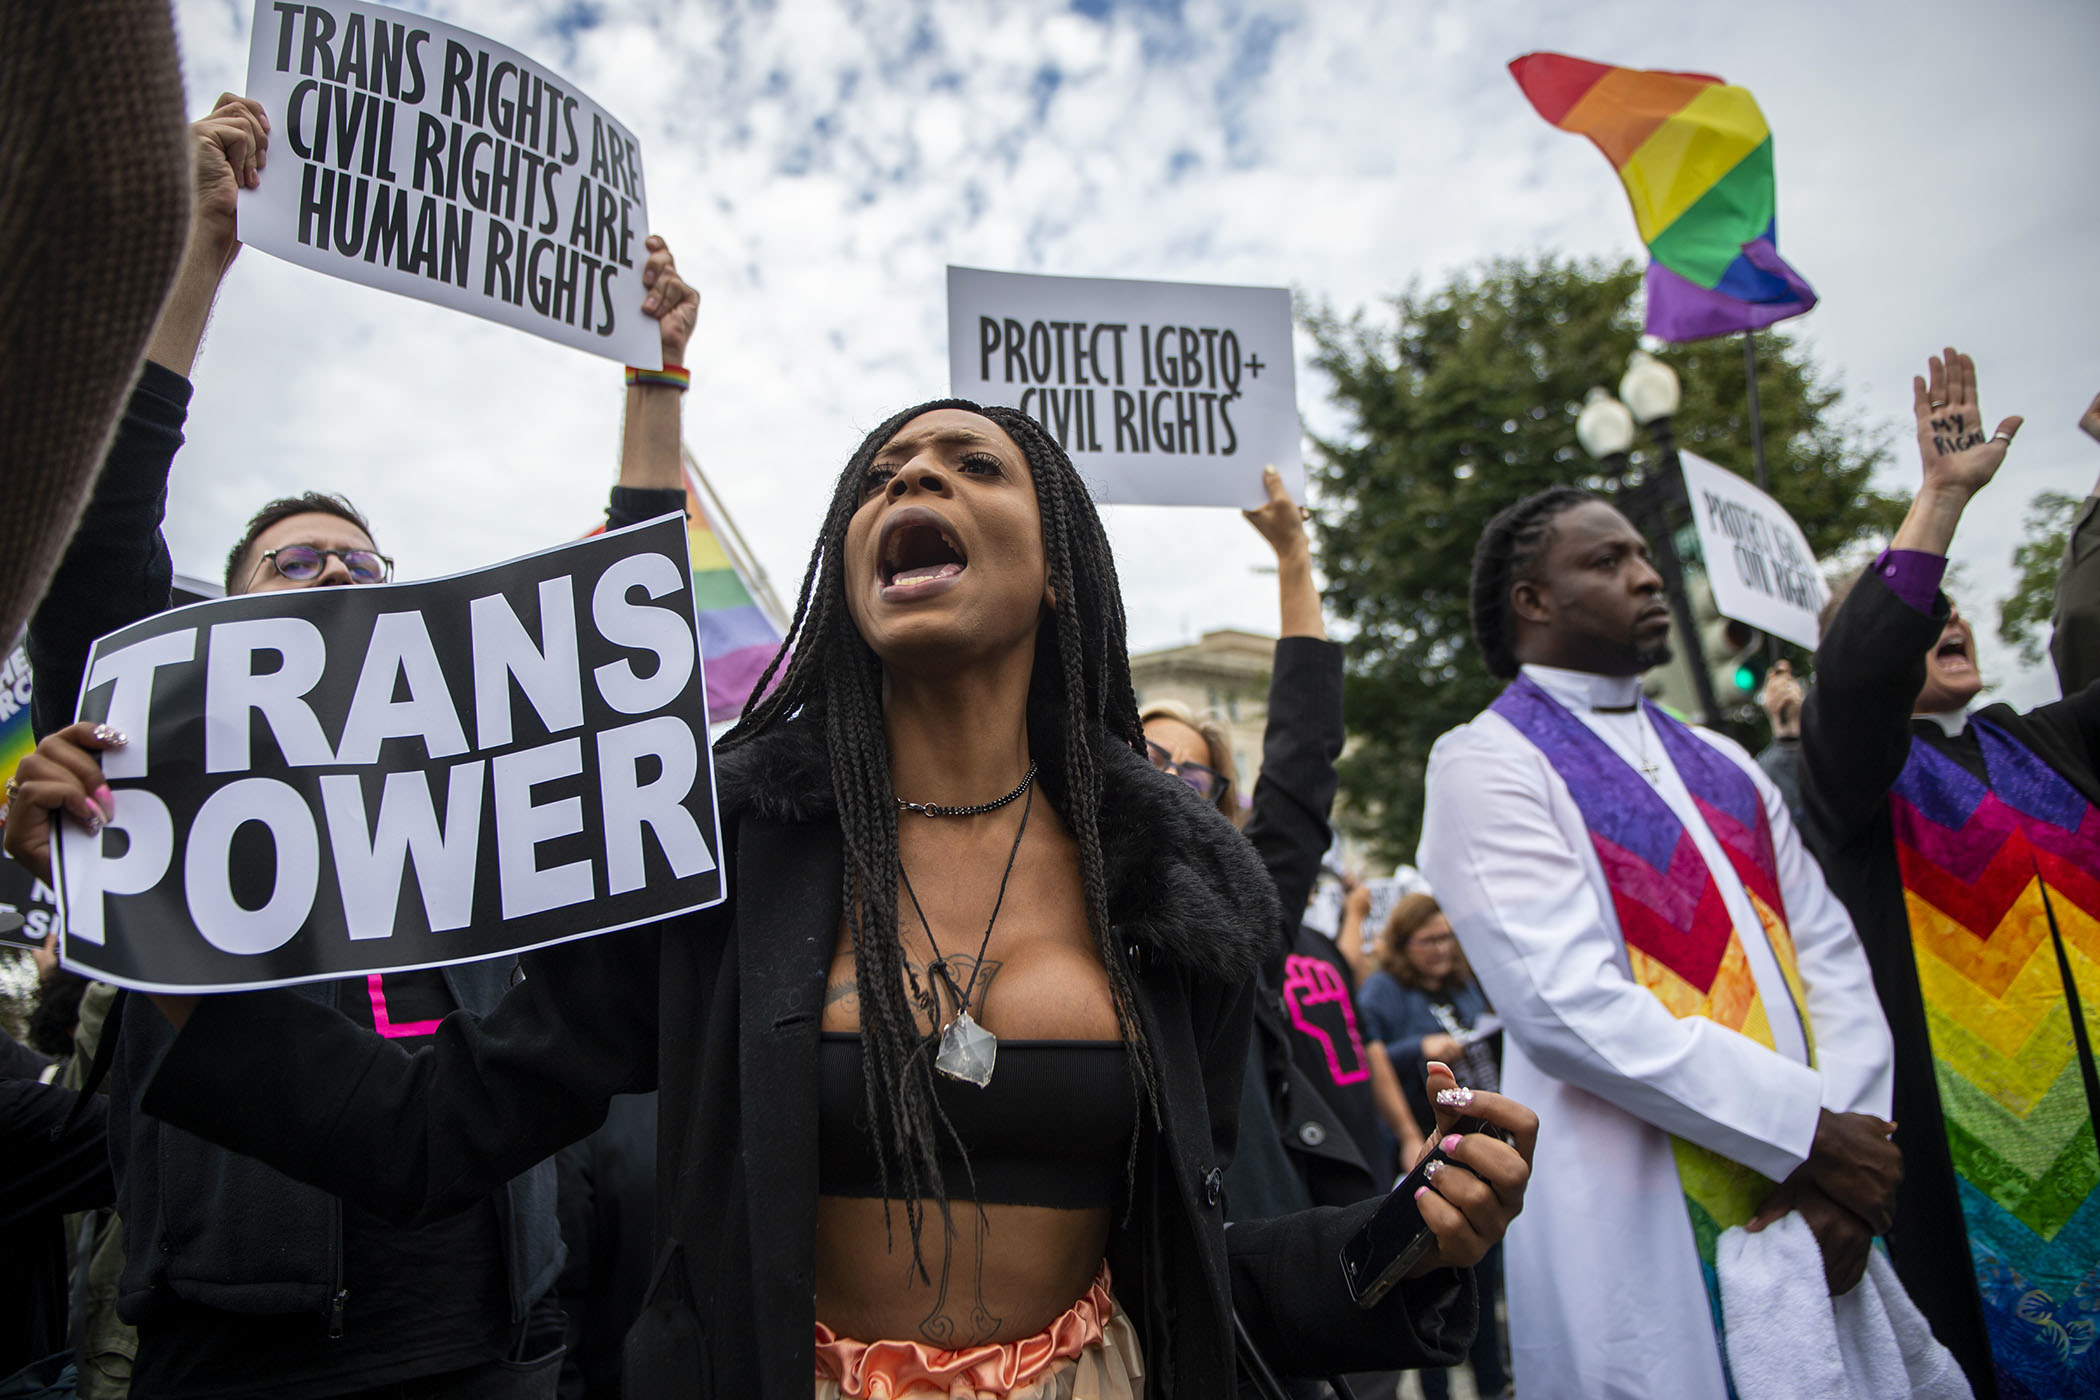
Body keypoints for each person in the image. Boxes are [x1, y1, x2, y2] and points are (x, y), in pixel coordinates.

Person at [13, 395, 1537, 1398]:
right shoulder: (716, 851)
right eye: (878, 477)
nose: (911, 482)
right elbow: (425, 1136)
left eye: (966, 465)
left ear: (1060, 565)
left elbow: (1205, 1268)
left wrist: (1410, 1234)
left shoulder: (1177, 890)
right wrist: (168, 932)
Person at [4, 93, 709, 1398]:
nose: (331, 569)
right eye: (293, 562)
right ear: (220, 620)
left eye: (358, 560)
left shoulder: (487, 780)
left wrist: (653, 387)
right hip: (238, 1347)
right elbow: (99, 559)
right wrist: (192, 265)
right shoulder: (163, 767)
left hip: (497, 1345)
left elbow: (619, 669)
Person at [1418, 485, 1900, 1399]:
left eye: (1645, 556)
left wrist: (1849, 1152)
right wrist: (1805, 1134)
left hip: (1826, 1193)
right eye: (1608, 562)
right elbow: (1566, 1007)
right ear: (1532, 601)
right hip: (1638, 1206)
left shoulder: (1724, 759)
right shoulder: (1486, 760)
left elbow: (1830, 959)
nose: (1648, 577)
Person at [1798, 350, 2097, 1400]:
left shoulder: (2052, 746)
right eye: (1920, 611)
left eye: (1951, 603)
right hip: (1975, 1197)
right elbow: (1857, 682)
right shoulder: (1850, 790)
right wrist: (1940, 500)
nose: (1945, 615)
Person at [1355, 893, 1507, 1400]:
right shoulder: (1383, 992)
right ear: (1403, 943)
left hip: (1477, 1153)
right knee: (1428, 1289)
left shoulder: (1463, 986)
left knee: (1485, 1282)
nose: (1442, 949)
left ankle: (1491, 1384)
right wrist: (1417, 1050)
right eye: (1430, 940)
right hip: (1422, 1157)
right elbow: (1366, 1056)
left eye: (1448, 938)